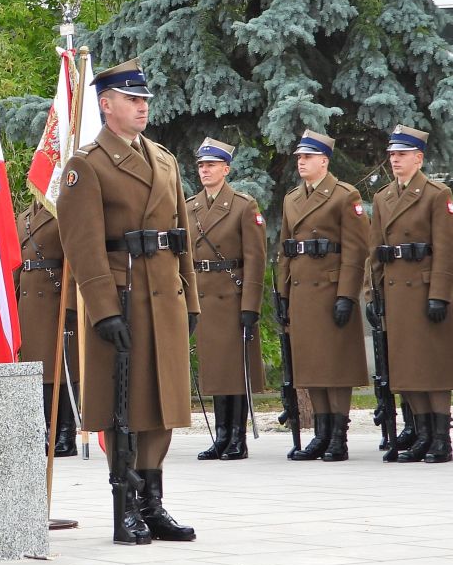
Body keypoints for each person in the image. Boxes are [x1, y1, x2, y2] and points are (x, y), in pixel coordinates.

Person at [57, 58, 198, 545]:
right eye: (132, 100)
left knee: (163, 403)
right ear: (106, 105)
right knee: (126, 404)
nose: (142, 107)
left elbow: (181, 236)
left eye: (144, 100)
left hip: (165, 296)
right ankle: (127, 506)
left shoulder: (164, 159)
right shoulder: (87, 165)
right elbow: (83, 246)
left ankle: (153, 503)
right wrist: (103, 310)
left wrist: (191, 299)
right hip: (124, 296)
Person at [276, 129, 370, 463]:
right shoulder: (291, 199)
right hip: (302, 292)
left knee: (336, 366)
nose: (301, 162)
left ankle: (338, 436)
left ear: (324, 161)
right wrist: (282, 293)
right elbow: (285, 250)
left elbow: (356, 250)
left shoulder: (344, 195)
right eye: (299, 157)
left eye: (308, 157)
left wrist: (347, 295)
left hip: (330, 291)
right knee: (311, 366)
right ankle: (321, 433)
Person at [364, 125, 453, 463]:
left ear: (419, 158)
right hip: (395, 292)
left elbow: (445, 249)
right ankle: (423, 434)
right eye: (392, 154)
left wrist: (440, 294)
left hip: (425, 290)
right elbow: (375, 250)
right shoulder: (383, 197)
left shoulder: (436, 194)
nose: (395, 160)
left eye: (402, 154)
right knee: (406, 367)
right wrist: (372, 294)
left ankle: (441, 438)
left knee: (431, 367)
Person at [186, 138, 266, 461]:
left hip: (232, 296)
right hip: (204, 296)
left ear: (226, 169)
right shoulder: (191, 206)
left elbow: (255, 259)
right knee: (215, 370)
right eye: (201, 165)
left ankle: (237, 438)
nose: (204, 170)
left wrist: (251, 306)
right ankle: (220, 436)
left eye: (211, 165)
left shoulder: (243, 206)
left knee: (234, 370)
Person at [15, 194, 80, 457]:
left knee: (61, 369)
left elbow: (75, 259)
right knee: (38, 371)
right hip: (29, 302)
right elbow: (16, 263)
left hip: (55, 300)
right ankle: (45, 431)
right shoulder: (23, 217)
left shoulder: (64, 211)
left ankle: (65, 433)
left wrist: (71, 304)